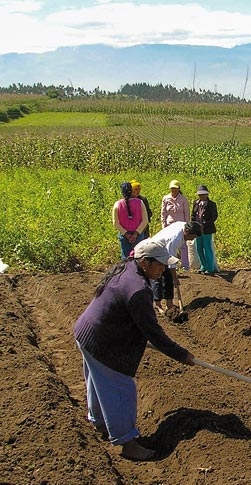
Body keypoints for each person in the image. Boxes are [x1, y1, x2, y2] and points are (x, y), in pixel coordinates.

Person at [73, 239, 197, 461]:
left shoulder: (127, 268)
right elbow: (153, 332)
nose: (163, 270)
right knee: (120, 388)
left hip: (88, 333)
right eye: (160, 265)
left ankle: (100, 423)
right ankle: (127, 443)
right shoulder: (138, 289)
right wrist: (182, 354)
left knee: (97, 381)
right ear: (145, 262)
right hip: (104, 342)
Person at [150, 221, 202, 311]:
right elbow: (171, 260)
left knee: (168, 278)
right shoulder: (175, 239)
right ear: (187, 232)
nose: (191, 240)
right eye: (192, 237)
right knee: (159, 276)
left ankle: (169, 304)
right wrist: (175, 278)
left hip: (165, 249)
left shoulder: (184, 225)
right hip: (155, 251)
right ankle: (158, 305)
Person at [112, 181, 149, 259]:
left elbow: (115, 223)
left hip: (124, 235)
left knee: (125, 258)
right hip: (138, 235)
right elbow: (145, 220)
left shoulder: (117, 204)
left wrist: (126, 234)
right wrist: (136, 233)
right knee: (138, 257)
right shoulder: (140, 202)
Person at [160, 179, 191, 270]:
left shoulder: (183, 199)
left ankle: (185, 265)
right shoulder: (166, 198)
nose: (174, 190)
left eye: (175, 188)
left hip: (181, 225)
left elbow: (187, 213)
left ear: (179, 189)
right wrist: (163, 225)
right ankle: (172, 264)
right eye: (172, 188)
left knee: (183, 245)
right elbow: (163, 213)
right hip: (170, 225)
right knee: (170, 244)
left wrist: (187, 225)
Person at [192, 185, 220, 275]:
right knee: (199, 248)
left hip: (207, 230)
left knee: (207, 249)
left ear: (207, 194)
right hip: (197, 230)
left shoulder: (211, 204)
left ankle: (210, 268)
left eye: (203, 194)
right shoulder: (196, 203)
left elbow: (214, 217)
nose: (202, 196)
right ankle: (203, 266)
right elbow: (193, 215)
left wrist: (205, 224)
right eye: (200, 194)